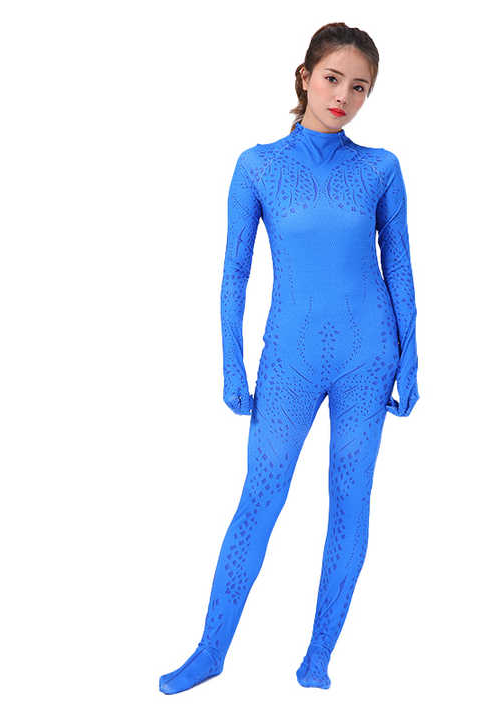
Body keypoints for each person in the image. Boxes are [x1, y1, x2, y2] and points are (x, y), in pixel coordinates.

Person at [160, 22, 419, 694]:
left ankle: (317, 658)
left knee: (350, 501)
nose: (344, 97)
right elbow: (234, 273)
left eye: (360, 87)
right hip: (290, 360)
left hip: (369, 357)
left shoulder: (380, 168)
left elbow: (400, 268)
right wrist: (231, 362)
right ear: (305, 77)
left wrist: (411, 358)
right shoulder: (258, 166)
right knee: (260, 498)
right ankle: (211, 651)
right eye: (333, 79)